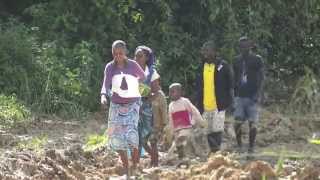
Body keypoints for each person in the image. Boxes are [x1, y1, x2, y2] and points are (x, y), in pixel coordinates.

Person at [100, 40, 145, 175]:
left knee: (131, 134)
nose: (118, 56)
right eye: (115, 53)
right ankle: (126, 168)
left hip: (133, 103)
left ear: (125, 52)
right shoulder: (110, 67)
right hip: (116, 104)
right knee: (115, 135)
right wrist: (103, 95)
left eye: (120, 53)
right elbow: (105, 83)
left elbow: (142, 76)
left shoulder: (132, 65)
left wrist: (133, 84)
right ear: (112, 53)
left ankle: (135, 166)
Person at [196, 40, 234, 153]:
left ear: (214, 51)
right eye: (204, 50)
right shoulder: (201, 66)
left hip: (219, 105)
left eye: (208, 50)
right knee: (208, 131)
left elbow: (231, 84)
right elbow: (198, 86)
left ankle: (216, 153)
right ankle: (214, 153)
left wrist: (231, 102)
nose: (205, 52)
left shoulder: (223, 66)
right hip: (205, 105)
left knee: (217, 130)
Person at [134, 45, 167, 167]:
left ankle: (155, 163)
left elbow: (157, 92)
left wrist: (146, 101)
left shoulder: (151, 72)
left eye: (140, 56)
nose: (136, 58)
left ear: (146, 58)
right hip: (136, 108)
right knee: (138, 139)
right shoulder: (132, 72)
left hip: (149, 110)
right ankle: (139, 164)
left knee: (151, 139)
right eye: (136, 56)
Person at [233, 36, 264, 153]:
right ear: (239, 48)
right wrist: (233, 95)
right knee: (237, 122)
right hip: (240, 96)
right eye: (241, 47)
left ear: (250, 46)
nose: (243, 49)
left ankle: (251, 147)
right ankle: (239, 145)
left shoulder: (257, 59)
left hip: (252, 95)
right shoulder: (236, 60)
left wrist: (259, 94)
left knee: (253, 123)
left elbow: (261, 77)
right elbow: (235, 78)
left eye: (246, 46)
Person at [168, 83, 205, 161]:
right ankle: (182, 158)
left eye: (173, 92)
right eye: (170, 92)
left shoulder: (185, 101)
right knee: (177, 145)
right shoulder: (171, 105)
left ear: (180, 92)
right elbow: (171, 120)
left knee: (186, 142)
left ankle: (199, 156)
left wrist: (199, 122)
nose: (170, 94)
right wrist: (171, 132)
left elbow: (194, 111)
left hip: (186, 128)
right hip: (177, 130)